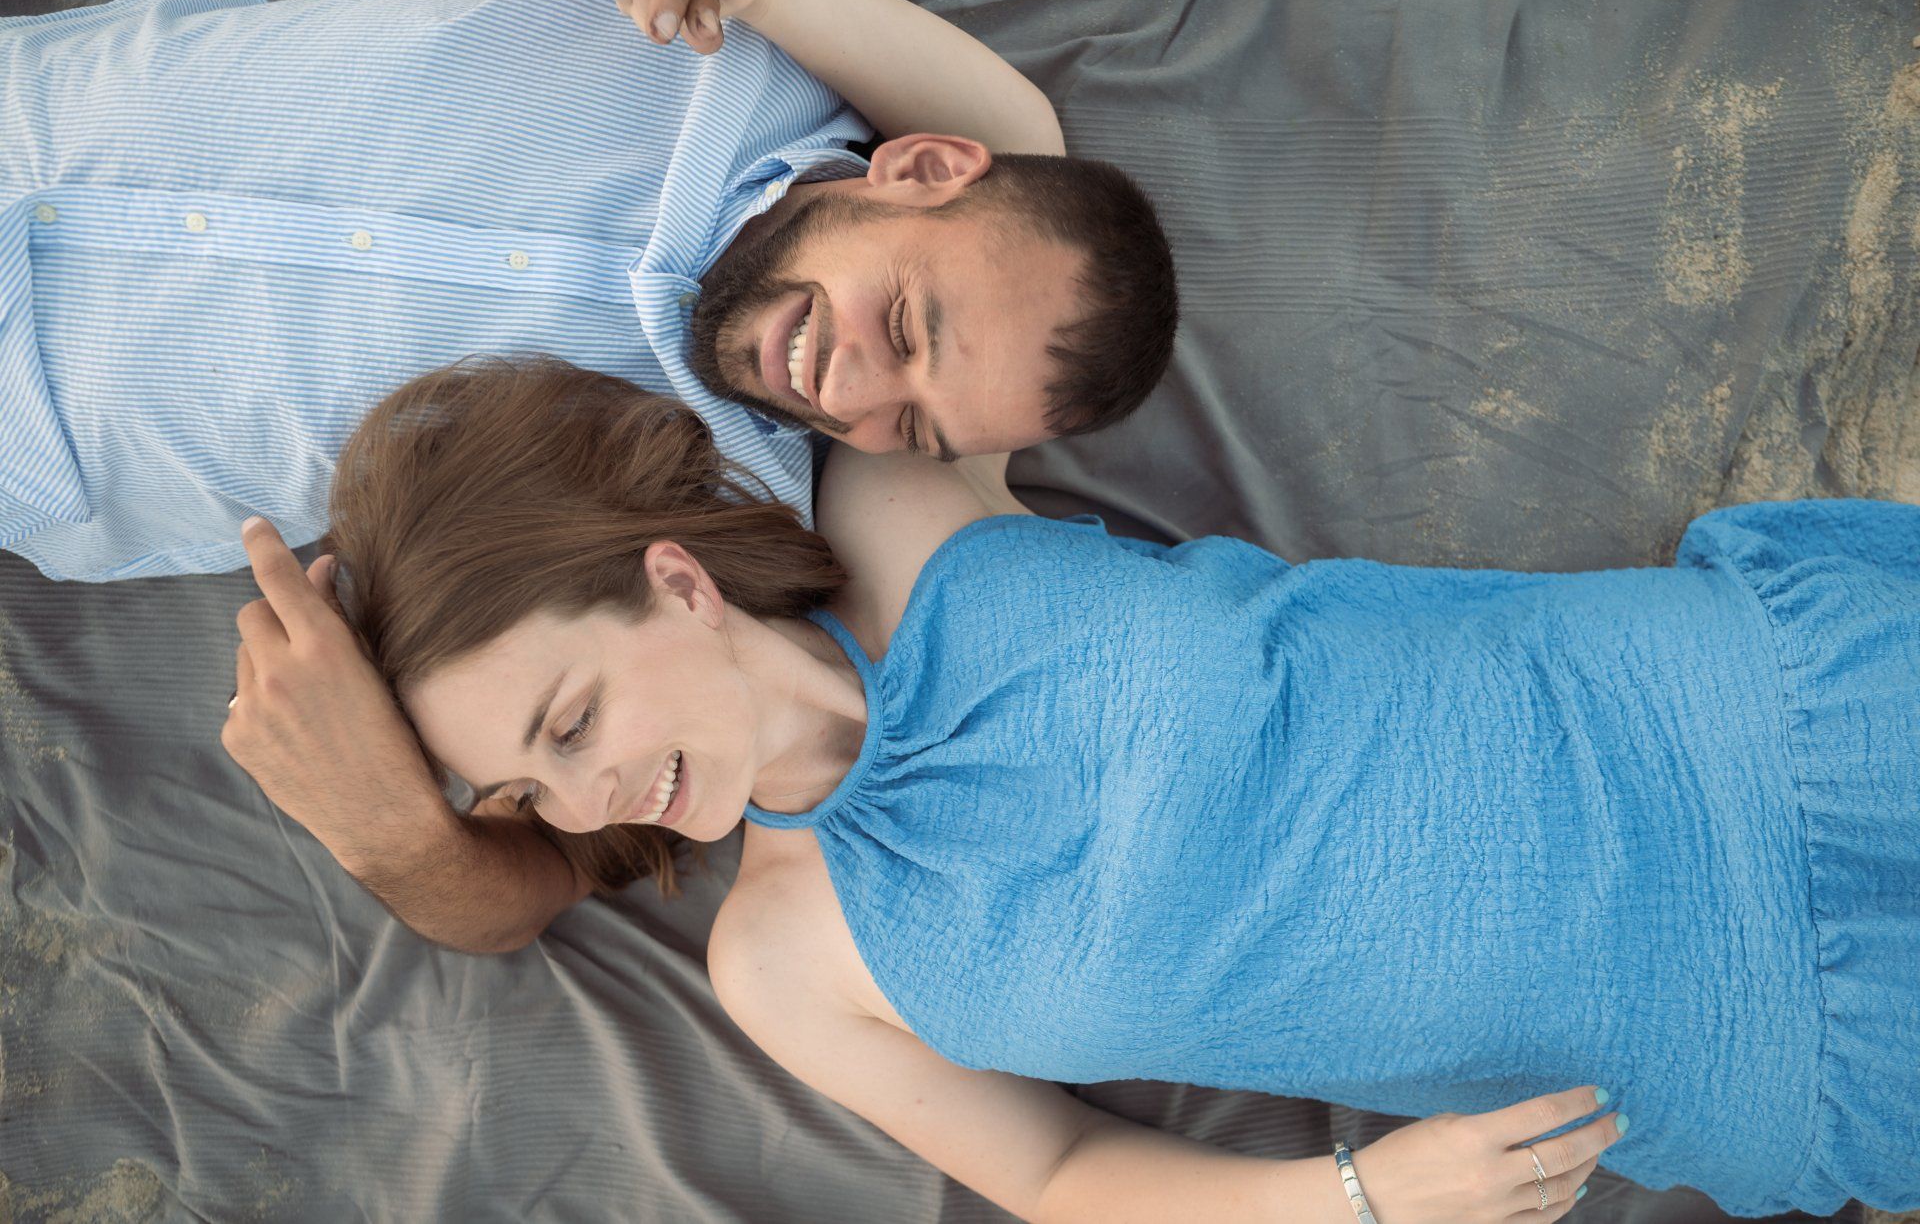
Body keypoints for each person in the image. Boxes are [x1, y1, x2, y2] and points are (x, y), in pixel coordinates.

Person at [223, 357, 1919, 1223]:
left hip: (1769, 712)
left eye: (572, 720)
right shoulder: (782, 960)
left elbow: (990, 144)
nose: (591, 801)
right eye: (528, 792)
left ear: (672, 579)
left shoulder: (892, 503)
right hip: (1764, 1042)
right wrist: (1355, 1199)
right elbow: (1054, 1176)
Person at [0, 0, 1175, 581]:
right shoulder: (771, 2)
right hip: (42, 112)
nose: (850, 389)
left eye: (912, 426)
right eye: (908, 328)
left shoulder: (738, 511)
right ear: (918, 167)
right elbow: (1019, 138)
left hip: (33, 431)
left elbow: (981, 572)